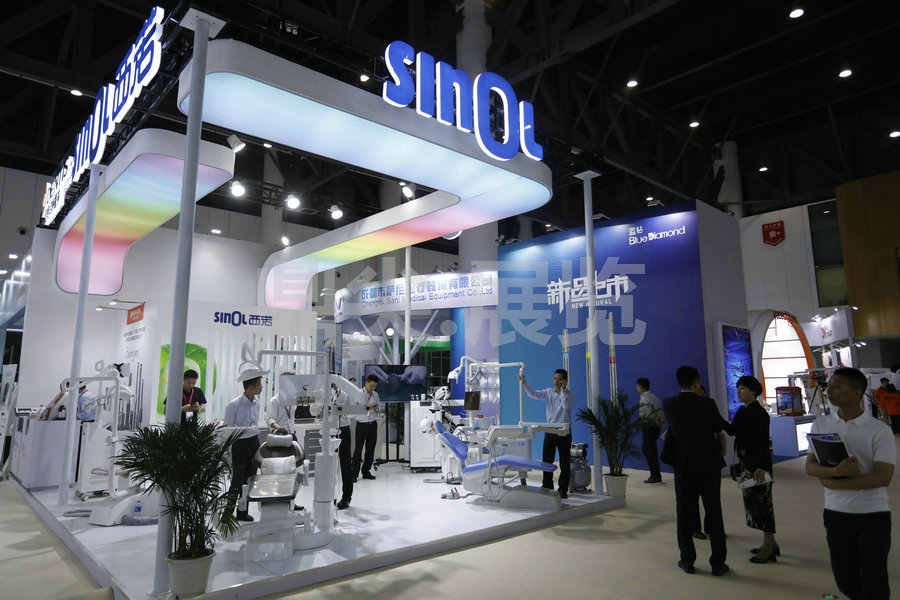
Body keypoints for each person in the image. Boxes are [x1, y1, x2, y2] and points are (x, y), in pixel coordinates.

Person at [806, 367, 895, 600]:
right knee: (844, 578)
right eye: (829, 386)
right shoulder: (821, 425)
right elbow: (810, 466)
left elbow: (883, 477)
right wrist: (836, 471)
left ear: (856, 393)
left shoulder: (879, 430)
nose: (830, 391)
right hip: (835, 513)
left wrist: (834, 483)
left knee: (873, 577)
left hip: (872, 514)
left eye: (837, 386)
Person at [662, 365, 728, 576]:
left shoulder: (669, 404)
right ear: (697, 382)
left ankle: (687, 559)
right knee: (714, 511)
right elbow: (718, 428)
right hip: (709, 465)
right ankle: (718, 563)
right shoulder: (708, 404)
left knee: (684, 512)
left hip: (684, 466)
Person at [722, 375, 778, 563]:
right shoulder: (742, 411)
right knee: (755, 505)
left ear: (753, 392)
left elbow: (763, 441)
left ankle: (768, 548)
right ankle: (770, 544)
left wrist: (761, 466)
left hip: (758, 465)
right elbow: (732, 431)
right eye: (738, 389)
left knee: (763, 506)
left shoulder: (759, 413)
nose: (738, 392)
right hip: (746, 464)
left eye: (742, 389)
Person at [519, 369, 575, 499]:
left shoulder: (570, 395)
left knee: (564, 462)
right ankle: (547, 486)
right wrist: (524, 383)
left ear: (565, 381)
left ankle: (563, 490)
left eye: (559, 379)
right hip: (550, 430)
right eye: (555, 378)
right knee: (547, 460)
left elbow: (566, 406)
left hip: (563, 431)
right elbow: (533, 394)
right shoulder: (549, 392)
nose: (556, 381)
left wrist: (562, 391)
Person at [224, 372, 264, 522]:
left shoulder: (257, 402)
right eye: (259, 385)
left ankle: (242, 512)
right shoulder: (234, 405)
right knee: (237, 481)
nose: (261, 388)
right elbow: (227, 428)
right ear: (250, 387)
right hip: (239, 445)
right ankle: (227, 514)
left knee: (249, 480)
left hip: (254, 442)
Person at [352, 374, 381, 481]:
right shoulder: (358, 394)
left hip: (372, 424)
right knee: (358, 450)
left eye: (375, 386)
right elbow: (353, 409)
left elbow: (379, 408)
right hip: (361, 424)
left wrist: (376, 408)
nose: (372, 388)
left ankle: (366, 472)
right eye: (371, 385)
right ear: (366, 383)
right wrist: (364, 408)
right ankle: (354, 474)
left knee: (370, 450)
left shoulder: (375, 395)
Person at [330, 383, 354, 509]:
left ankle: (346, 498)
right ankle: (330, 497)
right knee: (329, 466)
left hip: (344, 429)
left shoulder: (345, 394)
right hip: (330, 430)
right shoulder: (324, 393)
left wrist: (343, 411)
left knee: (345, 465)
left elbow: (352, 413)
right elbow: (315, 411)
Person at [637, 378, 663, 484]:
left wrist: (657, 423)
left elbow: (650, 415)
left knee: (649, 450)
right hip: (655, 428)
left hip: (649, 427)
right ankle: (656, 474)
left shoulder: (644, 399)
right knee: (651, 449)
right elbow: (660, 412)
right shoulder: (655, 397)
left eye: (637, 386)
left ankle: (655, 475)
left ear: (640, 387)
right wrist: (660, 423)